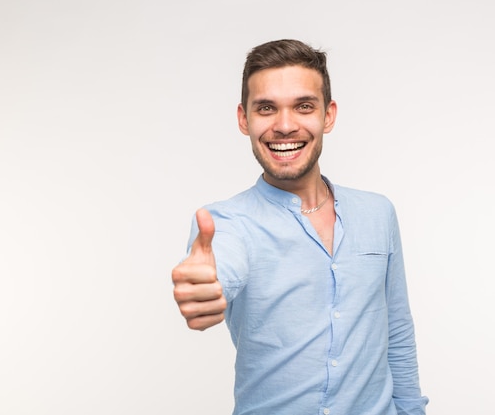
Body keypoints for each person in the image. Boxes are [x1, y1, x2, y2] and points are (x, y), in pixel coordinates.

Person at [171, 39, 428, 415]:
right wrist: (206, 286)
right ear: (244, 119)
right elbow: (219, 266)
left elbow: (398, 335)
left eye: (304, 106)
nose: (285, 125)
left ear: (328, 115)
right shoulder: (224, 224)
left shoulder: (378, 213)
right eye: (266, 109)